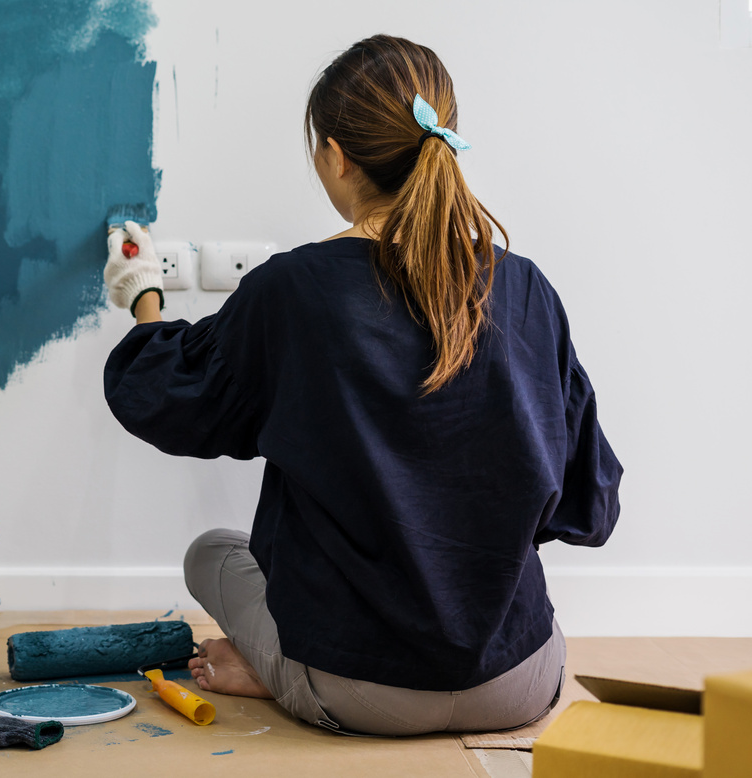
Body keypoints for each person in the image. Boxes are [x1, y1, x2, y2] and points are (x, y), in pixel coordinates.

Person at [101, 34, 622, 736]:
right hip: (521, 683)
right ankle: (280, 665)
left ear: (335, 156)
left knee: (212, 555)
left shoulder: (294, 291)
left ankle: (273, 669)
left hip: (356, 690)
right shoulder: (525, 288)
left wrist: (143, 295)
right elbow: (586, 507)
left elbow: (162, 394)